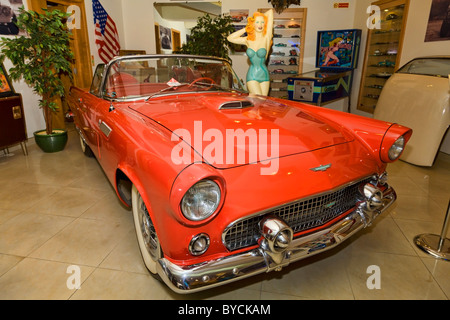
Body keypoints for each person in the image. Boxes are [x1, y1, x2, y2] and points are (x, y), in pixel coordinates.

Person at [227, 9, 273, 96]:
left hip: (265, 75)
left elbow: (270, 12)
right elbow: (230, 38)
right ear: (253, 24)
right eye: (257, 22)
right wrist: (246, 28)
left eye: (262, 22)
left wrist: (260, 16)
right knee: (259, 100)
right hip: (252, 75)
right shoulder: (248, 40)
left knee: (262, 103)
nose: (260, 24)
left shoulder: (266, 38)